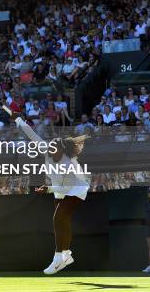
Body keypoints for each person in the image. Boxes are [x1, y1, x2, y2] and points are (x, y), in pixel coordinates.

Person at [15, 116, 90, 275]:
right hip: (59, 186)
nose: (50, 148)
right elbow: (32, 135)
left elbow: (65, 188)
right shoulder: (47, 149)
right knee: (64, 219)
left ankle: (57, 257)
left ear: (61, 150)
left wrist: (48, 188)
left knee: (58, 218)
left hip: (75, 188)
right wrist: (19, 120)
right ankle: (66, 255)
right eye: (50, 146)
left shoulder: (68, 164)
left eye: (54, 146)